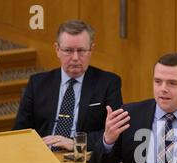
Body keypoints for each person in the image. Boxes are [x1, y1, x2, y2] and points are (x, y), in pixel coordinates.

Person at [13, 20, 123, 151]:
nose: (75, 57)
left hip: (83, 159)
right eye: (68, 51)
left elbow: (114, 132)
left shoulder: (108, 83)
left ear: (91, 50)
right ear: (57, 50)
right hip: (44, 156)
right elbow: (20, 131)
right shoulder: (37, 84)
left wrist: (75, 143)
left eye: (81, 50)